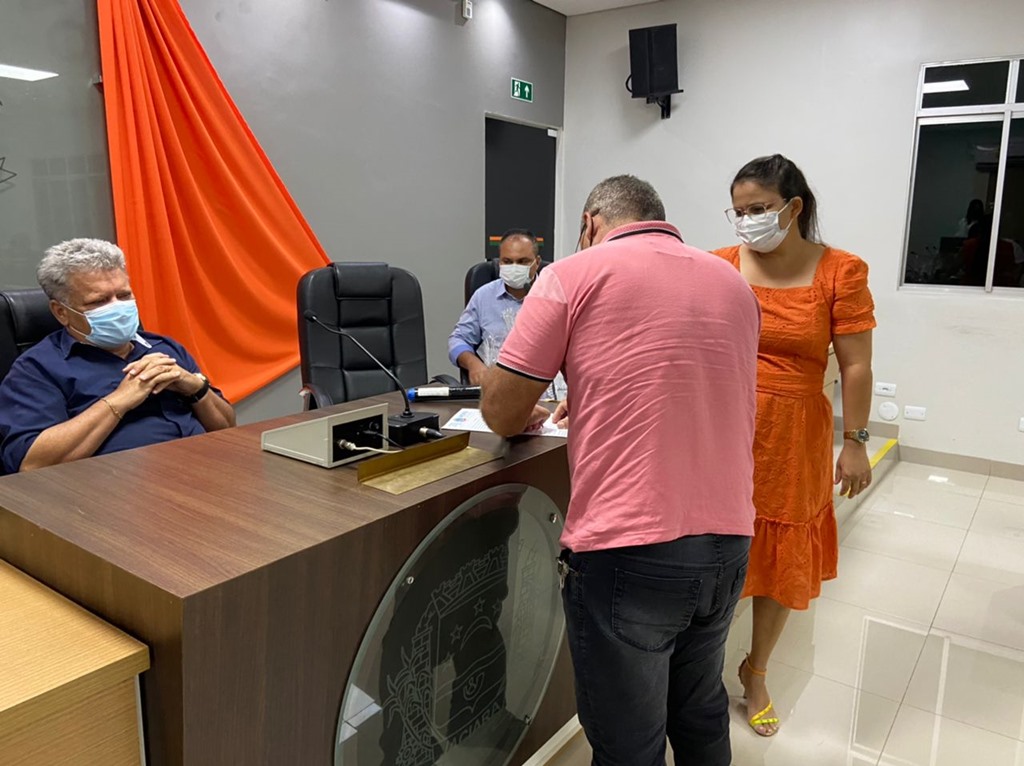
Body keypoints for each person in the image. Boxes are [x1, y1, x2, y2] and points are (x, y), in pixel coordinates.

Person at [480, 175, 761, 766]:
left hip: (631, 548)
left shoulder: (572, 275)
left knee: (628, 745)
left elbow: (501, 413)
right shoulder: (732, 282)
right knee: (700, 712)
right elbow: (689, 381)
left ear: (589, 224)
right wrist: (594, 395)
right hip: (729, 540)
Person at [713, 154, 875, 737]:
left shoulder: (840, 271)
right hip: (721, 426)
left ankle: (756, 670)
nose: (747, 222)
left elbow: (856, 365)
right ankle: (698, 665)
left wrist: (855, 442)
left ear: (794, 207)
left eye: (758, 209)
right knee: (715, 547)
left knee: (780, 557)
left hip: (793, 432)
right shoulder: (719, 265)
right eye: (739, 212)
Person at [0, 238, 235, 473]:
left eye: (124, 296)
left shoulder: (164, 347)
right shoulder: (36, 368)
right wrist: (119, 401)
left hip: (203, 471)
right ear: (61, 312)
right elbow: (32, 464)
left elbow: (227, 427)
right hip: (119, 486)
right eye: (99, 301)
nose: (117, 308)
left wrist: (195, 388)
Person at [447, 229, 565, 400]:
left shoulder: (558, 295)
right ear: (500, 262)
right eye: (508, 261)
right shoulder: (484, 296)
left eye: (523, 261)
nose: (514, 267)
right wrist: (473, 365)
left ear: (537, 262)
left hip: (549, 395)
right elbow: (458, 339)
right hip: (499, 395)